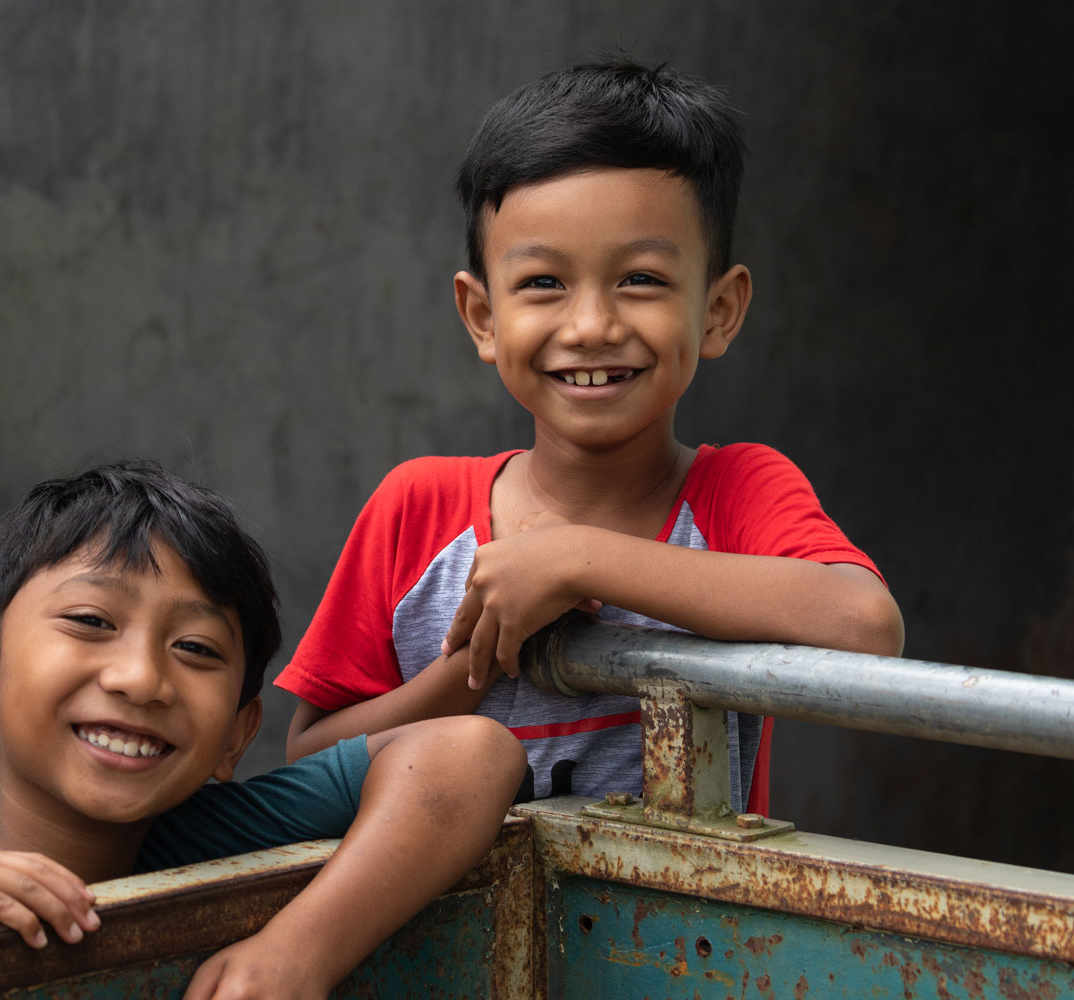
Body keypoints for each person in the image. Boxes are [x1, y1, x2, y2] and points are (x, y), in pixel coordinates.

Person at [277, 61, 904, 812]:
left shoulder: (737, 493)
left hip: (683, 934)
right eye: (543, 283)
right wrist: (485, 662)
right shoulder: (417, 506)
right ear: (482, 315)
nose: (591, 327)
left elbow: (866, 625)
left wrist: (579, 561)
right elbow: (309, 766)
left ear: (720, 310)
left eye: (640, 279)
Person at [0, 462, 525, 999]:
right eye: (92, 622)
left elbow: (473, 753)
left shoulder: (214, 839)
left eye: (196, 650)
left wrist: (300, 951)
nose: (141, 679)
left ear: (237, 736)